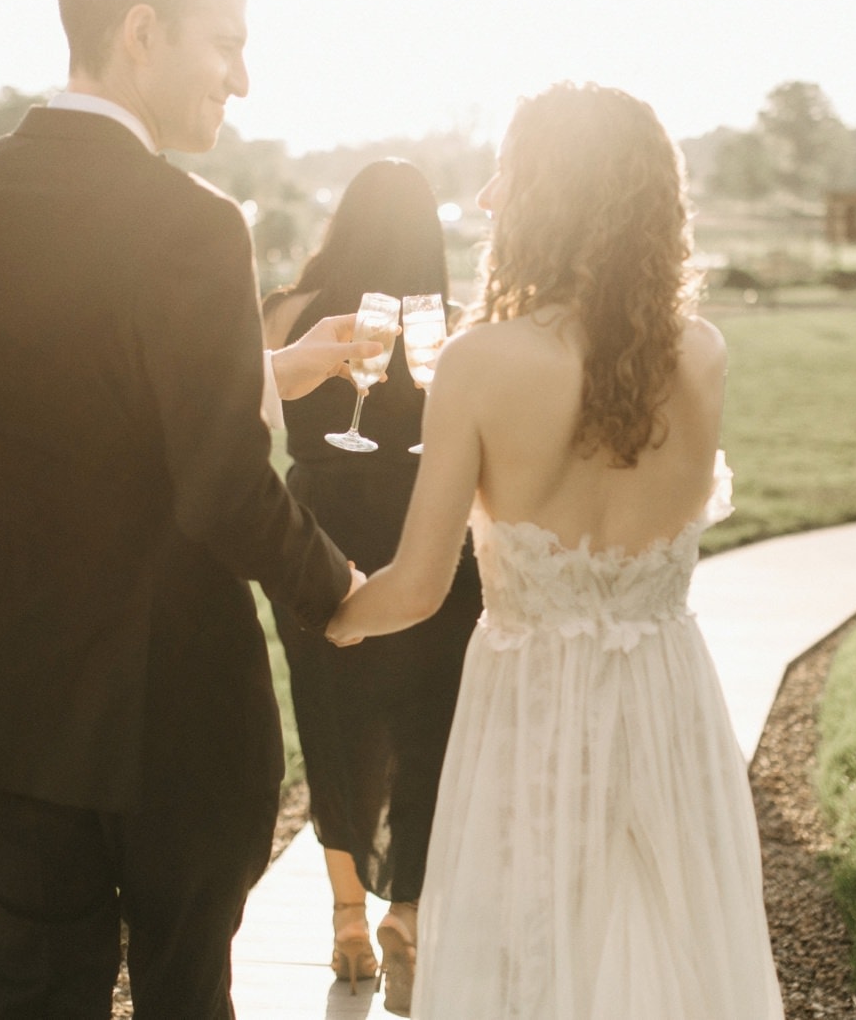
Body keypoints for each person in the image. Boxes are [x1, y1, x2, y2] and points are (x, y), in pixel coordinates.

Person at [0, 0, 383, 1019]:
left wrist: (264, 369)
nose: (244, 77)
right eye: (225, 41)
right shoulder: (192, 221)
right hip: (170, 709)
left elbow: (81, 389)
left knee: (32, 994)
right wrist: (337, 593)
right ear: (141, 31)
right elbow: (215, 482)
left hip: (0, 691)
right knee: (183, 993)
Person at [327, 83, 785, 1018]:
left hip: (532, 707)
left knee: (526, 954)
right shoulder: (700, 352)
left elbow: (416, 587)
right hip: (669, 696)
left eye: (508, 172)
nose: (489, 198)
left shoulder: (480, 361)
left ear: (551, 195)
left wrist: (327, 607)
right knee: (671, 939)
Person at [260, 160, 483, 1013]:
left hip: (311, 537)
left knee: (331, 719)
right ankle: (409, 914)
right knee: (429, 724)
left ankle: (348, 920)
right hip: (430, 533)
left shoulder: (283, 312)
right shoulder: (453, 326)